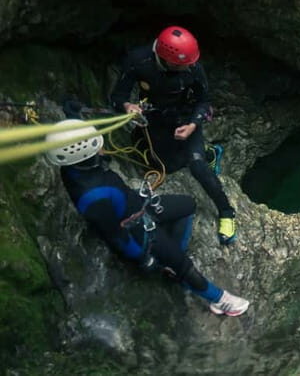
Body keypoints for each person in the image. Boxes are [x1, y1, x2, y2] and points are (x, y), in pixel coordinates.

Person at [45, 120, 250, 316]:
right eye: (96, 145)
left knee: (188, 205)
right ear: (84, 155)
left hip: (139, 206)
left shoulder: (75, 169)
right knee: (184, 267)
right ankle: (220, 300)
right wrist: (143, 257)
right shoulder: (93, 198)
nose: (103, 146)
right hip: (138, 231)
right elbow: (116, 235)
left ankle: (174, 254)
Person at [110, 26, 237, 245]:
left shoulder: (193, 67)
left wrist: (193, 124)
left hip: (185, 117)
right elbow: (118, 95)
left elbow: (204, 101)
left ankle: (226, 212)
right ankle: (209, 153)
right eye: (182, 64)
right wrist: (127, 105)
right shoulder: (138, 61)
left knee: (195, 164)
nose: (189, 66)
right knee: (166, 167)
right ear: (165, 58)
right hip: (156, 119)